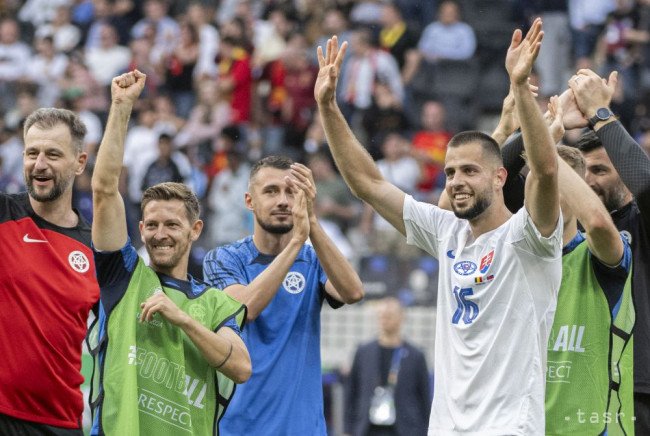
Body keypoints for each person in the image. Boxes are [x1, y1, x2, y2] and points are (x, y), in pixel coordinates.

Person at [316, 21, 562, 434]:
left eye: (469, 170)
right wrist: (328, 108)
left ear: (500, 177)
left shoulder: (529, 238)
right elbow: (369, 184)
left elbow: (548, 169)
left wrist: (520, 88)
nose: (456, 182)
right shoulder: (447, 232)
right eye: (449, 173)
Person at [87, 70, 251, 435]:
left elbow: (241, 367)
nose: (161, 234)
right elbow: (103, 189)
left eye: (172, 225)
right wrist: (120, 107)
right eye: (152, 225)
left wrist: (183, 319)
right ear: (141, 229)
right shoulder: (124, 277)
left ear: (195, 231)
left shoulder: (215, 303)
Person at [493, 93, 635, 434]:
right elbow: (452, 210)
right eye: (534, 186)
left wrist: (545, 145)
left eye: (551, 185)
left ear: (575, 193)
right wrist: (527, 130)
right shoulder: (512, 253)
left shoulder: (600, 256)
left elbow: (599, 223)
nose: (540, 196)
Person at [202, 155, 365, 435]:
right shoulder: (223, 259)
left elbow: (352, 291)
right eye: (271, 191)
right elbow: (243, 309)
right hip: (239, 428)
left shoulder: (313, 260)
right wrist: (297, 243)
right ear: (249, 201)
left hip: (303, 429)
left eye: (292, 192)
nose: (283, 201)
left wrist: (311, 221)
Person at [0, 108, 99, 433]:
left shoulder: (96, 248)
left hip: (58, 423)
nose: (39, 164)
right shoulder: (4, 214)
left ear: (79, 162)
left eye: (53, 154)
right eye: (32, 153)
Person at [567, 68, 650, 433]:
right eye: (581, 172)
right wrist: (551, 124)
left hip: (639, 390)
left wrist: (602, 115)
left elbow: (645, 183)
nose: (587, 181)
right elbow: (501, 186)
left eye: (599, 169)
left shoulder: (642, 222)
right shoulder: (564, 227)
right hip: (574, 387)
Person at [344, 297, 432, 436]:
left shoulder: (416, 355)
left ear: (402, 317)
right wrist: (347, 429)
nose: (384, 319)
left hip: (405, 429)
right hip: (366, 428)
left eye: (389, 316)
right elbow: (352, 392)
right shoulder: (363, 352)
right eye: (381, 315)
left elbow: (424, 398)